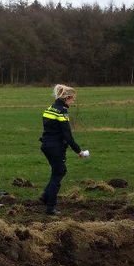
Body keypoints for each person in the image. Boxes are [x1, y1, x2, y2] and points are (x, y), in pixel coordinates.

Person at [39, 84, 88, 215]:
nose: (73, 101)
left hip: (46, 146)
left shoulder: (50, 109)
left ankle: (45, 196)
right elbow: (68, 135)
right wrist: (79, 151)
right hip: (55, 147)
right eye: (73, 99)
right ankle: (51, 207)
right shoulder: (62, 111)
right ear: (67, 98)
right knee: (60, 172)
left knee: (57, 171)